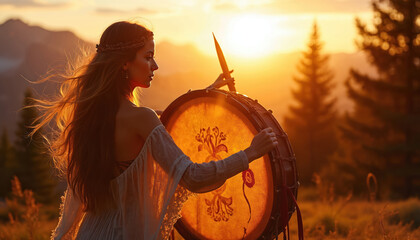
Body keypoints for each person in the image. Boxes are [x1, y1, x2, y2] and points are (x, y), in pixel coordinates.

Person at [31, 21, 278, 240]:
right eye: (148, 56)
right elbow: (193, 177)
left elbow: (164, 125)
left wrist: (207, 93)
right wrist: (250, 153)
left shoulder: (91, 116)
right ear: (125, 63)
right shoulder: (140, 118)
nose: (155, 65)